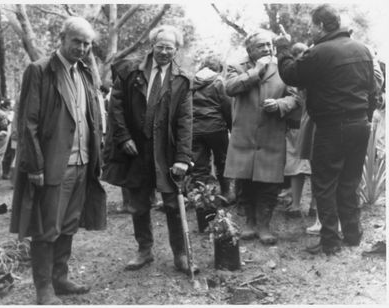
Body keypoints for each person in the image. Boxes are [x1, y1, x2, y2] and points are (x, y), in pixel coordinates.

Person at [10, 17, 107, 305]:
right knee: (46, 228)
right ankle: (44, 289)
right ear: (62, 39)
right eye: (76, 41)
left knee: (69, 224)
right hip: (53, 165)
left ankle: (61, 279)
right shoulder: (39, 71)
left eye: (86, 44)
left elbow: (93, 117)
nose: (81, 48)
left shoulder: (86, 72)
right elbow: (27, 123)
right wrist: (35, 166)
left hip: (82, 163)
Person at [277, 4, 380, 255]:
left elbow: (291, 75)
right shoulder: (363, 49)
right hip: (360, 126)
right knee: (350, 181)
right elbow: (372, 87)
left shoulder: (319, 52)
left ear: (321, 26)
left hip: (332, 127)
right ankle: (353, 235)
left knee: (324, 183)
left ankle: (330, 241)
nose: (310, 31)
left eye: (312, 26)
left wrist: (282, 48)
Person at [102, 25, 197, 274]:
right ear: (152, 45)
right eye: (161, 46)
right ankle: (144, 250)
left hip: (166, 150)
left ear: (176, 50)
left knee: (174, 204)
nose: (165, 51)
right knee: (138, 203)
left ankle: (180, 254)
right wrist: (123, 138)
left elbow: (186, 120)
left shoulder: (183, 79)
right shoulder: (129, 71)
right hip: (136, 149)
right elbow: (116, 108)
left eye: (170, 47)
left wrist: (183, 157)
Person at [224, 29, 299, 245]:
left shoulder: (282, 68)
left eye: (269, 45)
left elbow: (295, 98)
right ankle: (249, 222)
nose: (267, 49)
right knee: (244, 182)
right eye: (261, 46)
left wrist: (279, 105)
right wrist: (255, 71)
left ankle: (264, 225)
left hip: (272, 135)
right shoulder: (236, 66)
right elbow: (229, 88)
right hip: (244, 136)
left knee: (270, 184)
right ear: (249, 50)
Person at [191, 55, 233, 201]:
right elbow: (227, 106)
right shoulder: (219, 81)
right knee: (222, 160)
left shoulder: (191, 81)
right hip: (216, 128)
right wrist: (231, 126)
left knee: (199, 164)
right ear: (219, 68)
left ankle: (201, 198)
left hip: (194, 129)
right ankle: (226, 194)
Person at [283, 43, 312, 218]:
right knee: (298, 167)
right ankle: (299, 205)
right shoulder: (291, 77)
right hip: (297, 127)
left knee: (307, 167)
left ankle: (305, 205)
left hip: (304, 125)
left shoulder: (296, 76)